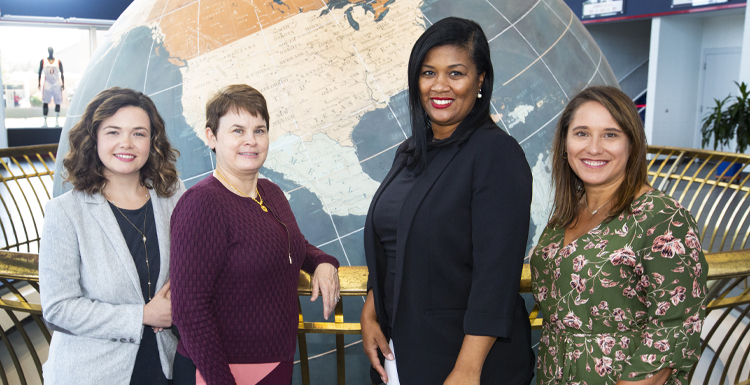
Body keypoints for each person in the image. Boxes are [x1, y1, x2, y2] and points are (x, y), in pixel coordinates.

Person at [360, 17, 535, 385]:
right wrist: (372, 311)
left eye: (456, 73)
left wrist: (467, 369)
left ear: (481, 79)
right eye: (428, 73)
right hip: (401, 354)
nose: (440, 86)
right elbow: (395, 244)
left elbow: (497, 276)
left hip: (462, 364)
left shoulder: (495, 153)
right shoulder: (409, 153)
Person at [530, 86, 707, 385]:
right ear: (565, 145)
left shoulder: (661, 217)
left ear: (632, 145)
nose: (594, 147)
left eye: (610, 134)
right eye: (582, 133)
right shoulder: (565, 214)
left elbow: (672, 332)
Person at [170, 84, 341, 385]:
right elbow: (189, 310)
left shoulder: (270, 192)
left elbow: (289, 242)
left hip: (275, 362)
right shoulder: (202, 204)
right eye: (237, 130)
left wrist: (322, 262)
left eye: (259, 130)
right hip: (221, 371)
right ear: (212, 137)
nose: (251, 141)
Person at [39, 87, 185, 385]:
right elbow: (57, 309)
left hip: (165, 366)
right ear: (94, 139)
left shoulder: (174, 197)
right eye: (113, 132)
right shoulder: (65, 212)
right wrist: (142, 315)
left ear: (152, 141)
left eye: (139, 133)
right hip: (93, 372)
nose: (126, 144)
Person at [38, 47, 64, 127]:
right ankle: (45, 121)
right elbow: (39, 72)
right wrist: (39, 83)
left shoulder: (58, 61)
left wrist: (63, 84)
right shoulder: (43, 61)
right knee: (45, 102)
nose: (50, 52)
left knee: (57, 102)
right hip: (47, 83)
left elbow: (62, 73)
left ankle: (57, 121)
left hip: (56, 83)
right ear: (48, 52)